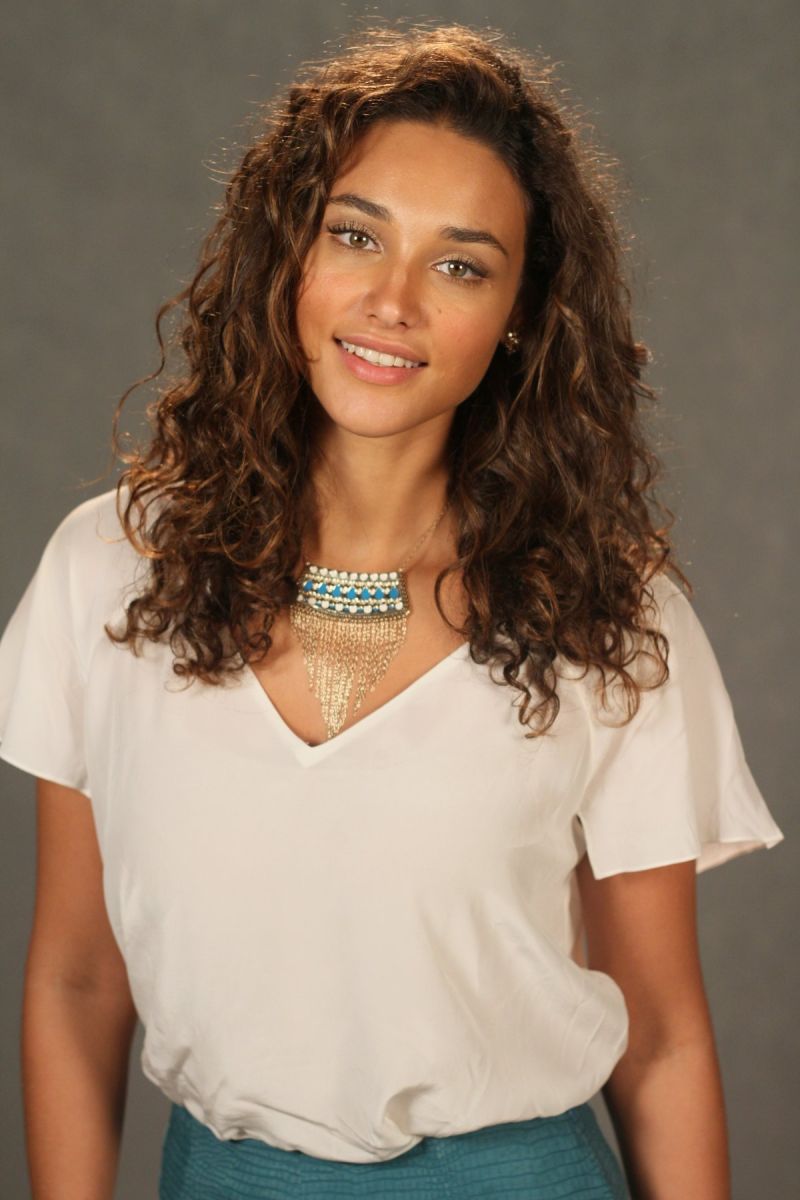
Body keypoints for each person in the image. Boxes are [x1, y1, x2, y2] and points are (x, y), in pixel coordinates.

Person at [0, 20, 785, 1200]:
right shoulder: (108, 571)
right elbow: (74, 980)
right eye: (354, 235)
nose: (390, 300)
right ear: (289, 252)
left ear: (519, 314)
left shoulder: (607, 618)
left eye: (459, 265)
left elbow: (662, 1033)